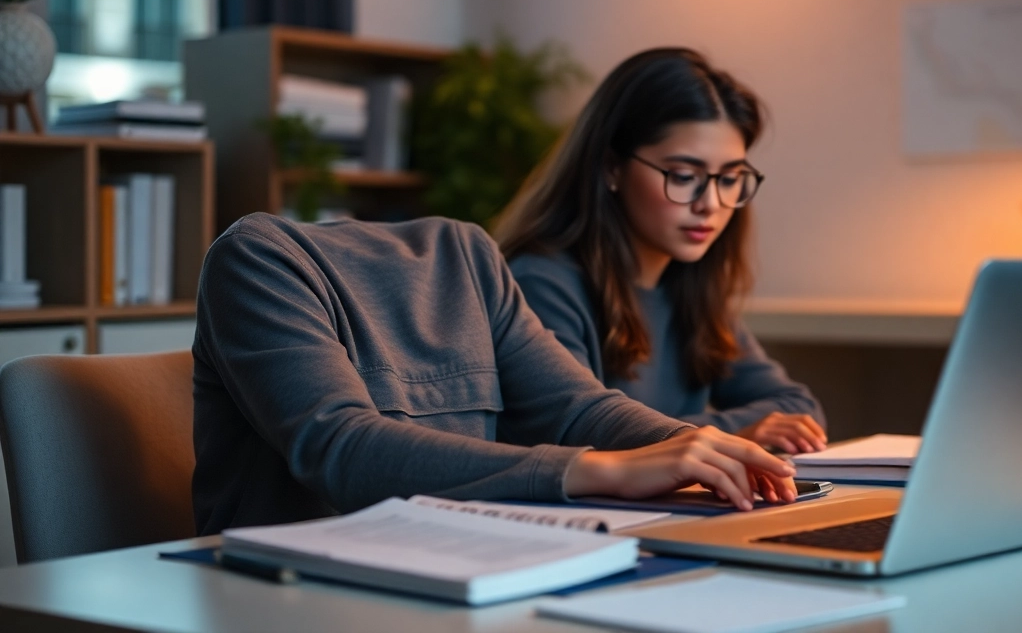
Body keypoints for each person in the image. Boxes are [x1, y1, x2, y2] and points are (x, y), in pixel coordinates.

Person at [191, 213, 797, 535]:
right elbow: (342, 450)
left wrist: (682, 444)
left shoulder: (469, 256)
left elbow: (577, 407)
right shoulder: (256, 260)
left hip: (452, 568)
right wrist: (598, 469)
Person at [495, 47, 828, 455]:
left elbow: (798, 409)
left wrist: (703, 434)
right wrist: (731, 432)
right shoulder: (541, 281)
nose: (710, 203)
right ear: (611, 168)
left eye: (729, 179)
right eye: (685, 176)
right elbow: (579, 433)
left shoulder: (690, 285)